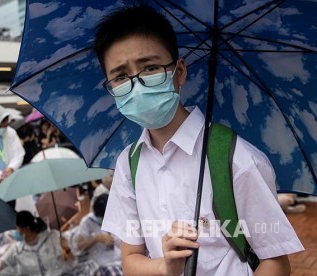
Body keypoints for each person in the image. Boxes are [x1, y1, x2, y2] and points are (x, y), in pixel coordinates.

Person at [94, 4, 304, 275]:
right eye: (121, 76)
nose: (136, 84)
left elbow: (275, 261)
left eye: (150, 68)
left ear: (179, 71)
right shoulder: (128, 165)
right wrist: (165, 266)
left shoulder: (237, 159)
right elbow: (131, 258)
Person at [0, 211, 64, 276]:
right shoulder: (17, 250)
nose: (16, 232)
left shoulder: (51, 238)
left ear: (25, 229)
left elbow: (68, 260)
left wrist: (66, 249)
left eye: (17, 228)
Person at [76, 194, 122, 275]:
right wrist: (96, 238)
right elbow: (79, 247)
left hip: (119, 258)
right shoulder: (87, 222)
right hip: (102, 264)